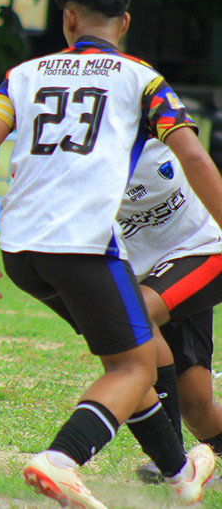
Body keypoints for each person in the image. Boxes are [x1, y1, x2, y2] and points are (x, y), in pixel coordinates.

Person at [0, 0, 222, 507]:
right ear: (124, 23)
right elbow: (195, 158)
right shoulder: (142, 79)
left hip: (23, 251)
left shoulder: (23, 75)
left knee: (149, 369)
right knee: (134, 362)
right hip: (89, 247)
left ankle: (178, 473)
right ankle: (61, 459)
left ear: (67, 19)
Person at [115, 139, 222, 481]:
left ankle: (171, 460)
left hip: (204, 250)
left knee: (136, 316)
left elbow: (195, 157)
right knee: (197, 408)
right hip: (150, 276)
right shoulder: (73, 149)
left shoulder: (151, 106)